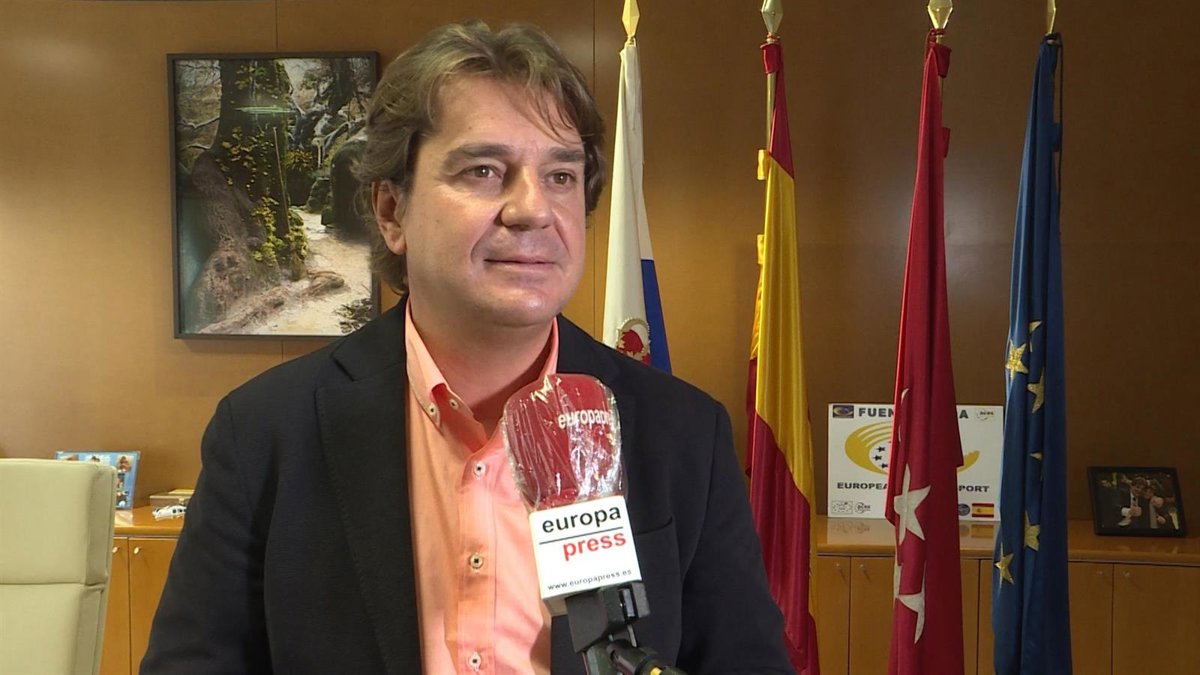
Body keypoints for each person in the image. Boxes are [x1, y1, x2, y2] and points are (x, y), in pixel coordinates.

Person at [142, 20, 791, 675]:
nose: (533, 209)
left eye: (561, 175)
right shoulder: (264, 432)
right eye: (484, 170)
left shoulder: (682, 432)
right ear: (391, 212)